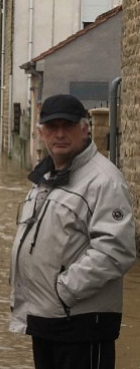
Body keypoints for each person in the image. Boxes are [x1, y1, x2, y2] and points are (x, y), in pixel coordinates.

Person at [9, 94, 136, 369]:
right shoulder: (46, 177)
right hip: (46, 318)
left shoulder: (103, 180)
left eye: (67, 126)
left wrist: (62, 290)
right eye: (52, 127)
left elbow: (117, 250)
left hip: (81, 323)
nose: (60, 134)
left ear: (85, 128)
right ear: (41, 132)